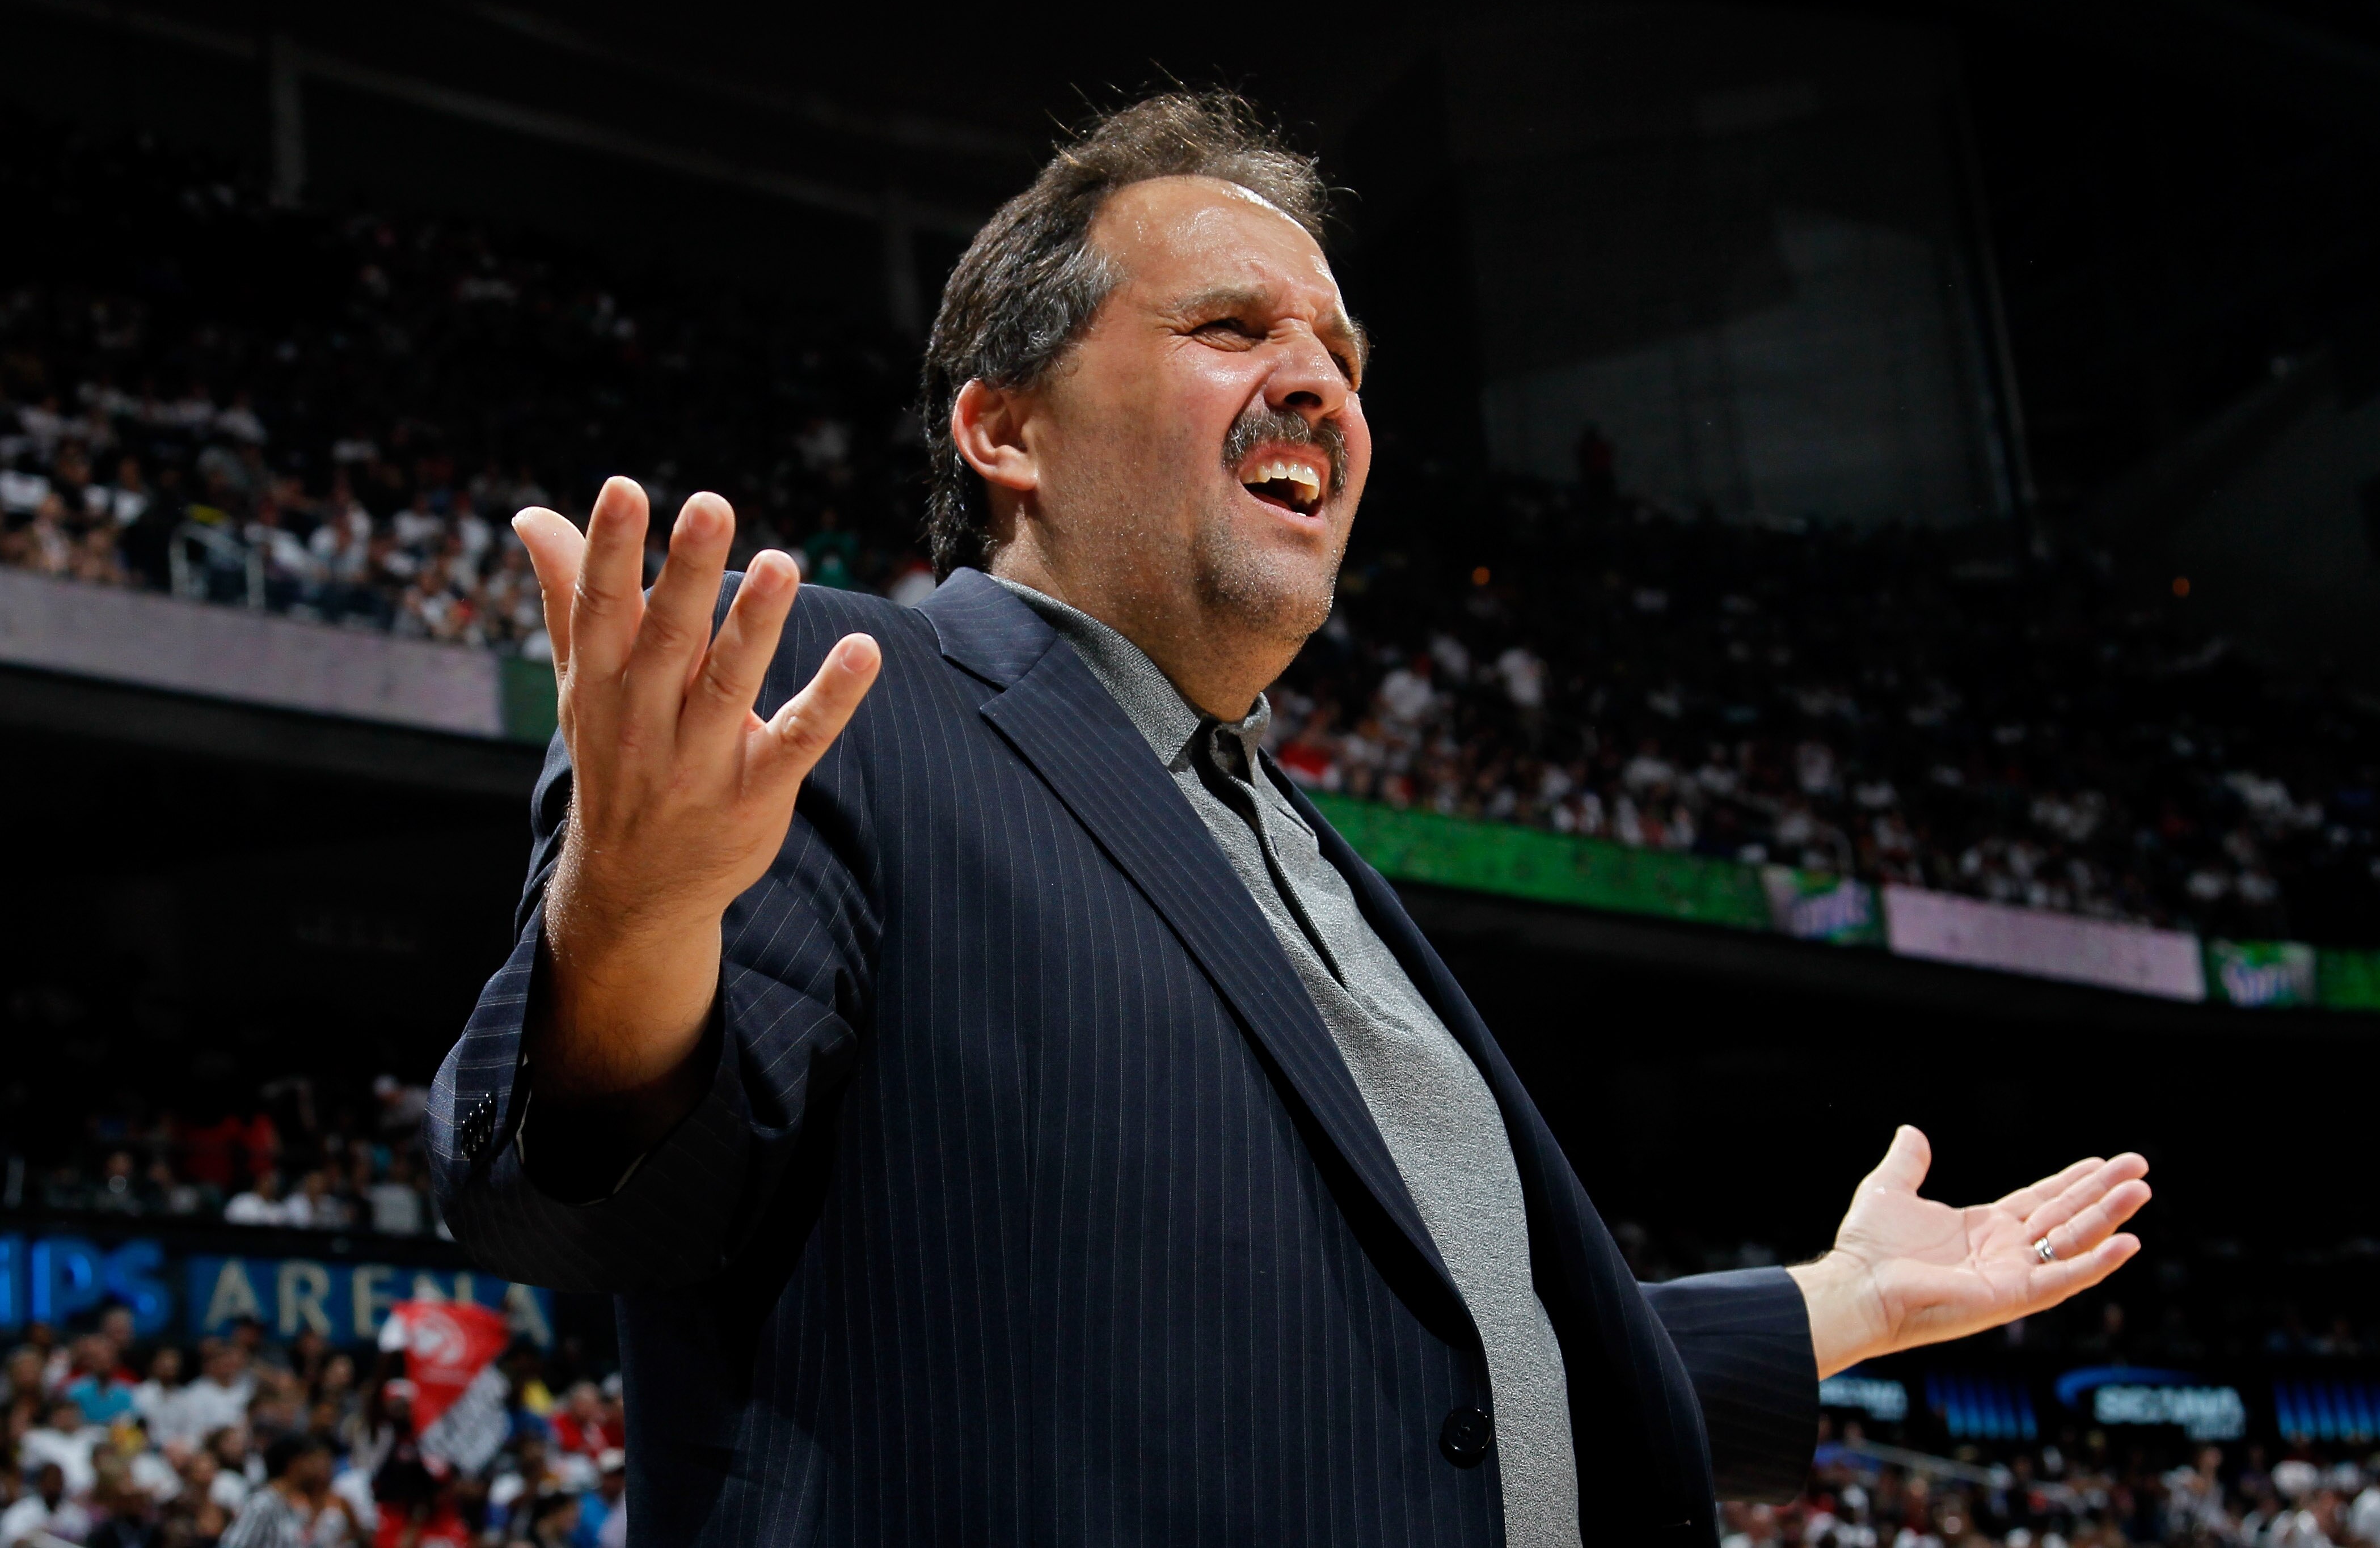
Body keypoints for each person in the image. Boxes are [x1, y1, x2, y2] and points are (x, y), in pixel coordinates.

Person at [432, 90, 2150, 1547]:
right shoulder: (844, 695)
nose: (1317, 381)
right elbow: (572, 1206)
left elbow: (1421, 1383)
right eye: (1231, 329)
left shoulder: (1304, 852)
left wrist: (1843, 1302)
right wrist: (633, 911)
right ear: (1006, 429)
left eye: (1339, 351)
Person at [218, 1434, 351, 1548]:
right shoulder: (261, 1504)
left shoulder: (291, 1507)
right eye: (311, 1462)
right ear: (295, 1465)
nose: (319, 1470)